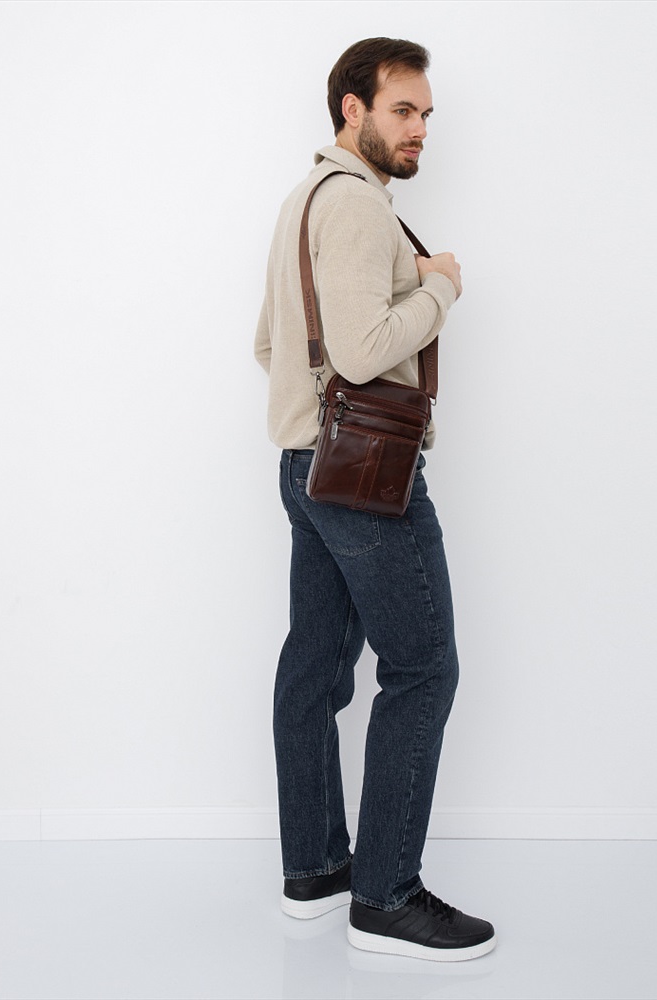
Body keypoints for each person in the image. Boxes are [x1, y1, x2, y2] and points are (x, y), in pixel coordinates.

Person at [254, 37, 496, 962]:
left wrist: (310, 421)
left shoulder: (303, 199)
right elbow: (359, 354)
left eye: (426, 114)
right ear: (351, 109)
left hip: (306, 468)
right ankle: (386, 897)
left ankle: (316, 871)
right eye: (403, 109)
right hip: (365, 477)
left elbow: (269, 344)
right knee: (423, 668)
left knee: (315, 668)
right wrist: (439, 289)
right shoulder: (356, 205)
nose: (420, 128)